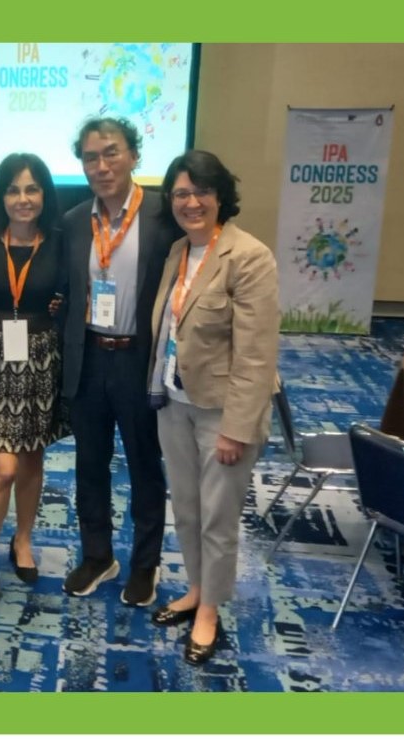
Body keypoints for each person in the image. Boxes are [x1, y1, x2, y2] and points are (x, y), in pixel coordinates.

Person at [146, 150, 279, 665]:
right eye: (181, 193)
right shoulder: (179, 251)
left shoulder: (249, 257)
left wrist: (236, 429)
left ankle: (210, 610)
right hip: (174, 401)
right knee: (186, 508)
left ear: (220, 196)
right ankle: (197, 588)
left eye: (201, 191)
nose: (191, 202)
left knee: (217, 519)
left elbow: (256, 355)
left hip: (223, 414)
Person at [61, 116, 183, 604]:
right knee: (89, 464)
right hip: (89, 357)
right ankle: (97, 555)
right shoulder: (74, 221)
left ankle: (145, 563)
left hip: (140, 359)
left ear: (134, 155)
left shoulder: (164, 215)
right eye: (91, 157)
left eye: (111, 152)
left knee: (143, 464)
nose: (101, 165)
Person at [0, 153, 68, 607]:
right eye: (13, 190)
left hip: (42, 359)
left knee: (31, 461)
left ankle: (23, 540)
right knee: (3, 468)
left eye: (31, 189)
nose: (23, 199)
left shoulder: (62, 242)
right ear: (1, 196)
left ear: (44, 194)